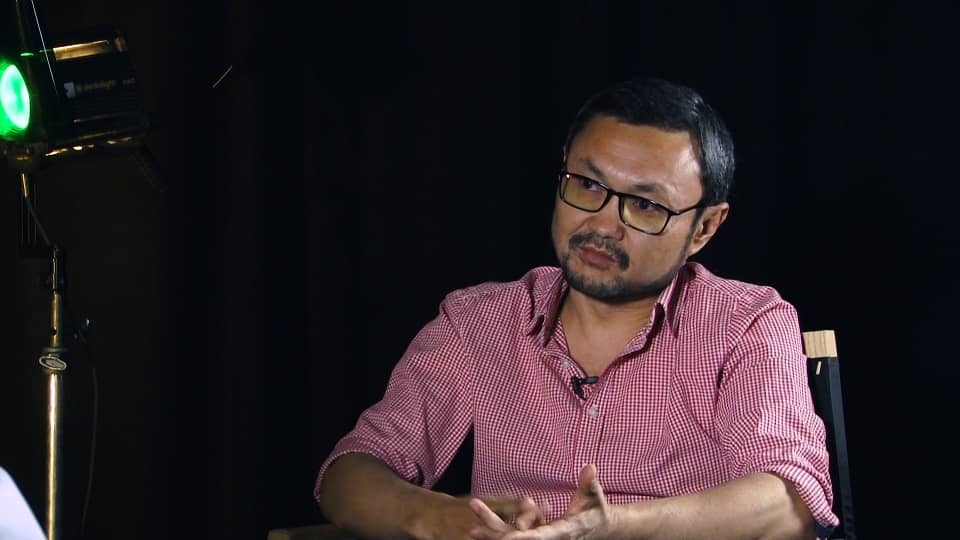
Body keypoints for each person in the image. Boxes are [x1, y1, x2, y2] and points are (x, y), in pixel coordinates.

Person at [315, 78, 838, 540]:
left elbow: (790, 505)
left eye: (645, 205)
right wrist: (440, 518)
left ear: (704, 227)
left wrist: (614, 529)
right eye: (587, 186)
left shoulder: (746, 322)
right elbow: (349, 475)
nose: (603, 225)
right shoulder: (478, 321)